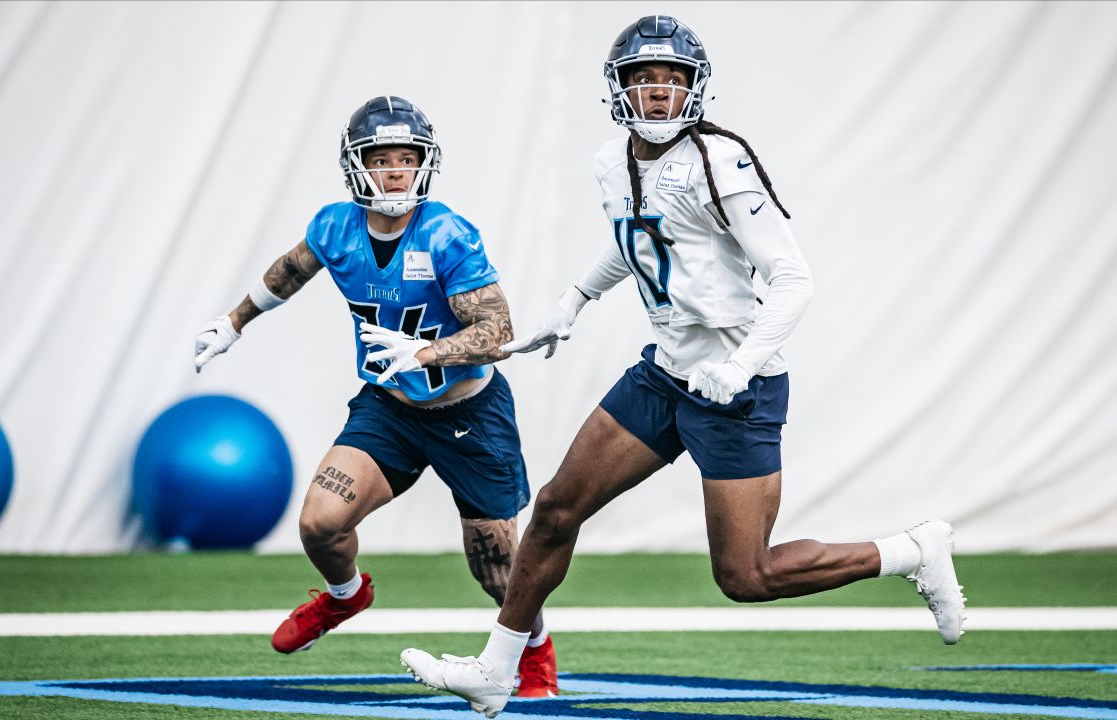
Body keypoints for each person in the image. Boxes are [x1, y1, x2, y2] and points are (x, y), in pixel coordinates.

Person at [398, 17, 965, 717]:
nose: (659, 92)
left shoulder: (719, 160)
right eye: (644, 79)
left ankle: (911, 551)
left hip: (737, 387)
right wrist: (573, 300)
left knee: (746, 575)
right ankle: (495, 669)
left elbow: (793, 278)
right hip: (667, 373)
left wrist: (743, 364)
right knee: (554, 509)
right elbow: (638, 238)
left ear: (694, 90)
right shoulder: (612, 162)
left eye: (672, 80)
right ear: (619, 89)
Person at [193, 96, 558, 697]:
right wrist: (234, 322)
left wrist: (425, 352)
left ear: (425, 164)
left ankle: (536, 649)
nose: (394, 170)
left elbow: (499, 333)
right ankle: (344, 597)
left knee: (496, 568)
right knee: (320, 522)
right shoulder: (336, 226)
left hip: (468, 411)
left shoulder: (445, 233)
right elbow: (290, 269)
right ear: (356, 165)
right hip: (390, 407)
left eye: (406, 158)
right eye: (381, 158)